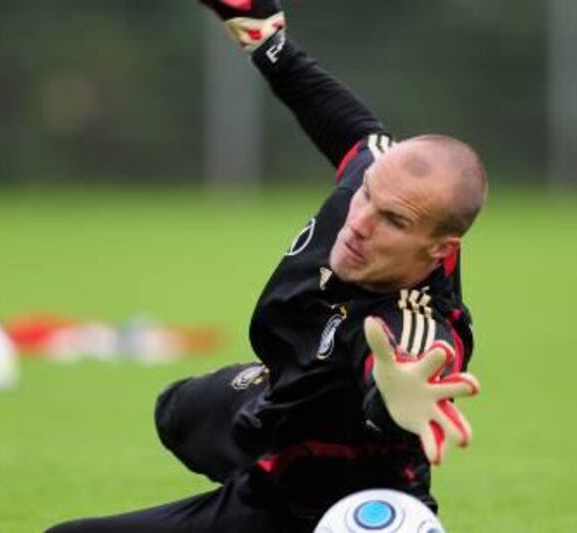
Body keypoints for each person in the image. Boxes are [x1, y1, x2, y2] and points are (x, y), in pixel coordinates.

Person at [48, 0, 487, 531]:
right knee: (178, 410)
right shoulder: (377, 178)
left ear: (441, 248)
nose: (361, 221)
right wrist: (264, 36)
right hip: (279, 396)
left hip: (306, 495)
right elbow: (347, 124)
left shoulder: (413, 320)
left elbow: (409, 361)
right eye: (367, 194)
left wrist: (394, 398)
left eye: (393, 220)